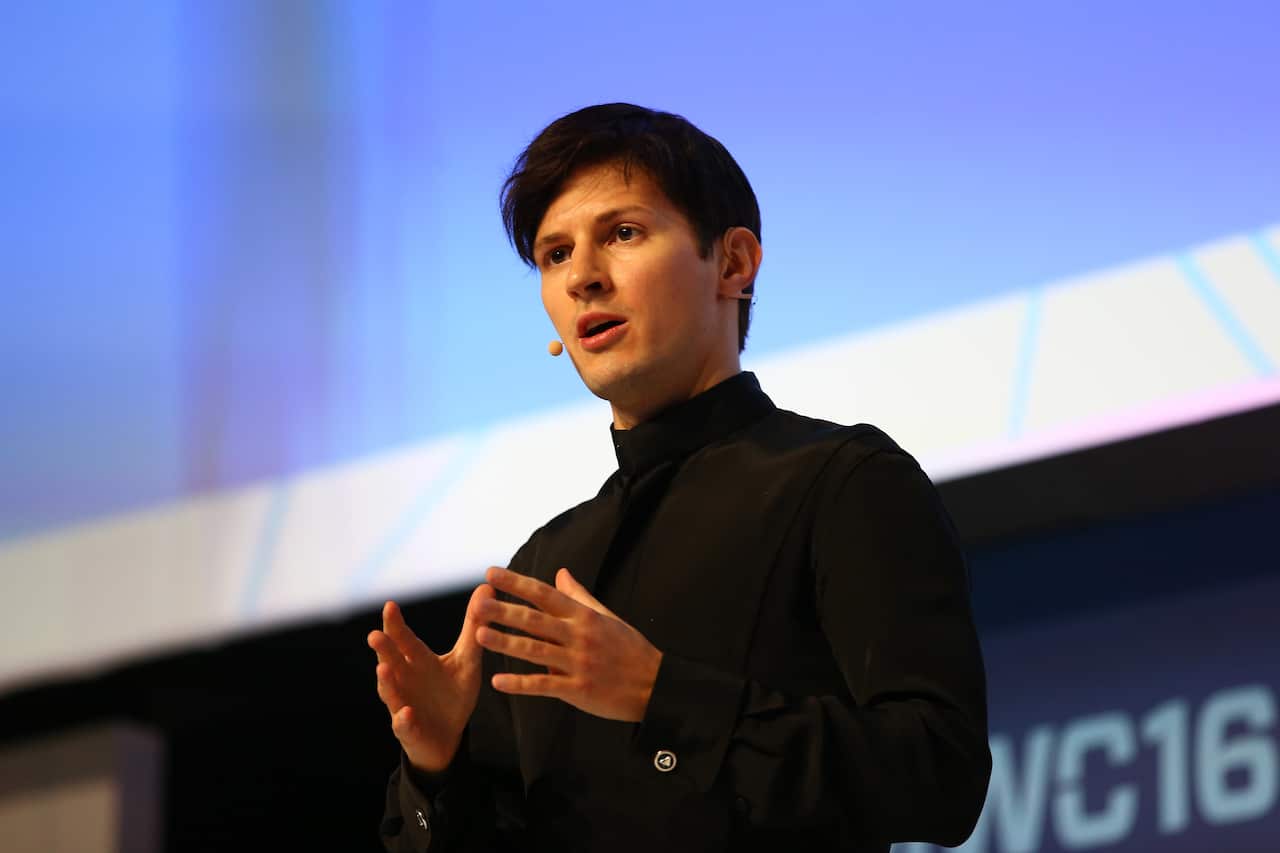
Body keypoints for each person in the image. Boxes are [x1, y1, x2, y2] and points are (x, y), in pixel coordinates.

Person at [368, 103, 991, 852]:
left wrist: (659, 696)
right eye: (555, 254)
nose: (582, 278)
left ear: (733, 264)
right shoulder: (542, 569)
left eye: (622, 234)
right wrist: (436, 768)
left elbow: (940, 774)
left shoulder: (844, 483)